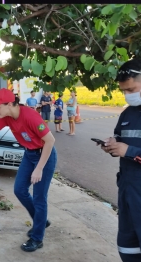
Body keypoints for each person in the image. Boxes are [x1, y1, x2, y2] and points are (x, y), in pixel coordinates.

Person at [0, 88, 56, 252]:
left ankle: (37, 238)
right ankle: (40, 221)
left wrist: (39, 169)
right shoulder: (7, 117)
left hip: (45, 156)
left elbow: (50, 141)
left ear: (8, 104)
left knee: (39, 198)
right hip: (30, 154)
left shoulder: (29, 116)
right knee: (19, 189)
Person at [99, 59, 141, 262]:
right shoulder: (127, 113)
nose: (128, 95)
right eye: (124, 91)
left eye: (131, 89)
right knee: (128, 250)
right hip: (128, 195)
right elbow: (120, 140)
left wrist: (130, 151)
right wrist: (112, 145)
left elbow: (129, 150)